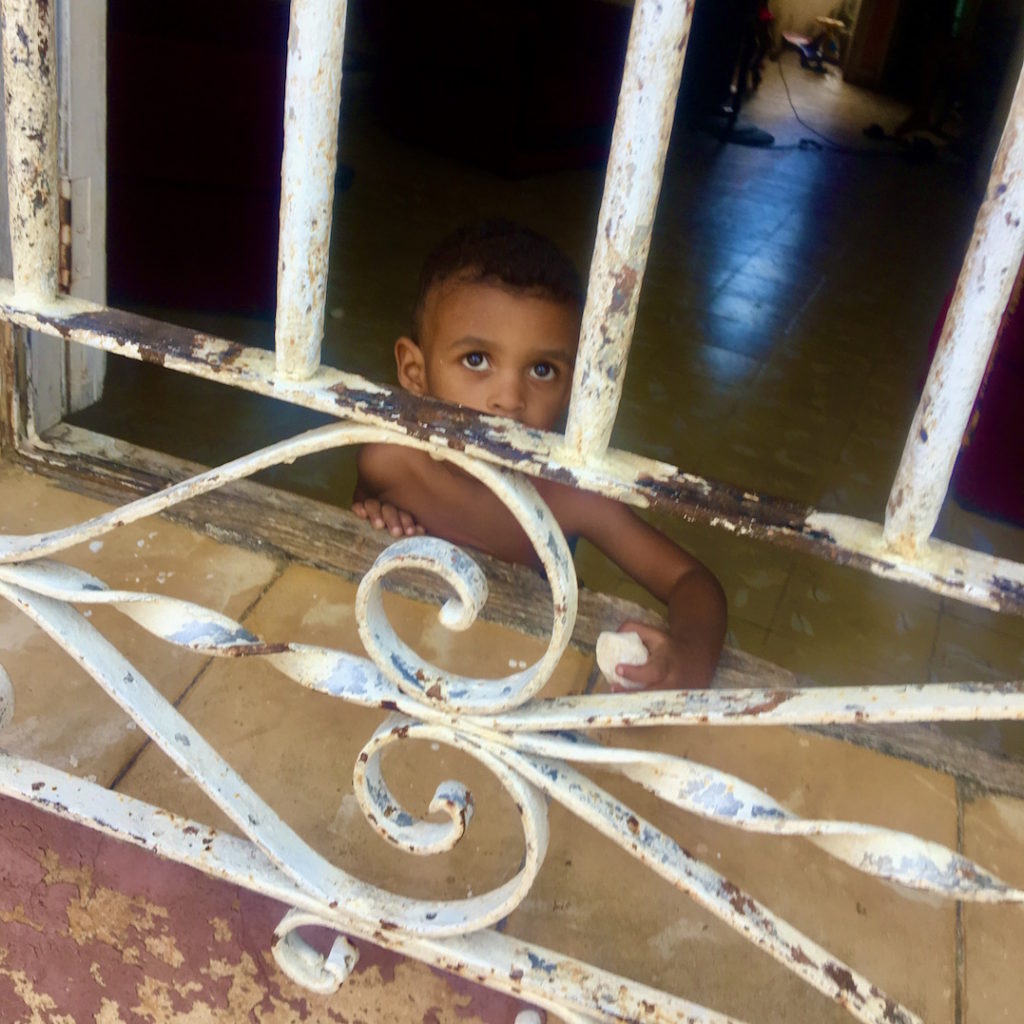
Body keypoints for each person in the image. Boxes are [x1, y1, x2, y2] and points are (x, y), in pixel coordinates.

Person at [353, 220, 726, 690]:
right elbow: (362, 506)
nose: (509, 398)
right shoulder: (388, 458)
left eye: (542, 369)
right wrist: (374, 511)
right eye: (476, 359)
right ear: (415, 370)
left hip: (530, 667)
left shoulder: (570, 495)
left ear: (571, 388)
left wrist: (689, 658)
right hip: (415, 650)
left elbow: (691, 580)